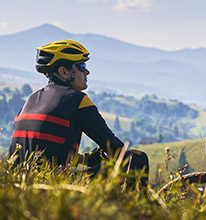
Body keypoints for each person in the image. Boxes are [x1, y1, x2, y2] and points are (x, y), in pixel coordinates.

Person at [8, 39, 149, 186]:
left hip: (20, 184)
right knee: (136, 159)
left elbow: (43, 151)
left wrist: (86, 159)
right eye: (81, 66)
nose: (87, 72)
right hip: (56, 184)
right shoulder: (76, 100)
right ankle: (136, 208)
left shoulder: (30, 100)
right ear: (63, 72)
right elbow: (116, 150)